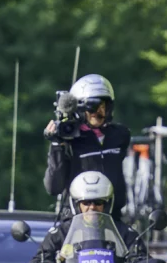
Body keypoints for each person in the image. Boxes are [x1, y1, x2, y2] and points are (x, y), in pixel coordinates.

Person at [43, 74, 132, 222]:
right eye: (92, 109)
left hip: (112, 218)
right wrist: (56, 145)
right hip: (77, 219)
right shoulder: (70, 138)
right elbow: (53, 187)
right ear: (79, 109)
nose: (98, 114)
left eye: (103, 108)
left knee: (135, 244)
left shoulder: (119, 135)